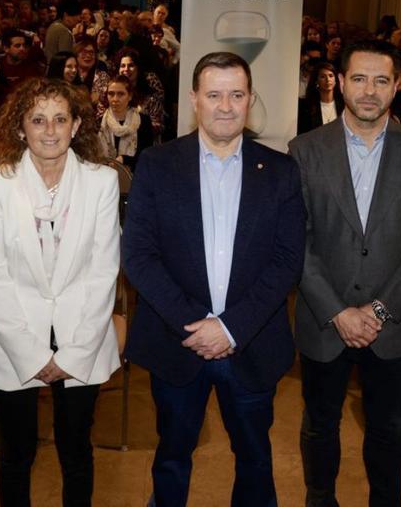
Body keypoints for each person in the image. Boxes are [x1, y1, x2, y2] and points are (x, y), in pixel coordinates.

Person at [122, 52, 306, 507]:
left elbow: (287, 260)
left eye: (237, 94)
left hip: (251, 342)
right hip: (177, 342)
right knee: (171, 457)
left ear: (251, 100)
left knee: (255, 460)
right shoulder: (157, 164)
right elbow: (139, 257)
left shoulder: (280, 171)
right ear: (194, 100)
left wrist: (229, 328)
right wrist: (196, 325)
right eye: (215, 94)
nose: (226, 106)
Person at [289, 41, 401, 507]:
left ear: (397, 86)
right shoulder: (304, 150)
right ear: (339, 83)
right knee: (319, 426)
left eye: (381, 80)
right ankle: (320, 500)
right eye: (359, 78)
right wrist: (338, 311)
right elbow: (295, 242)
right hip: (324, 320)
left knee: (388, 431)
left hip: (392, 326)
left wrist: (378, 310)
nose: (369, 90)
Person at [0, 78, 120, 506]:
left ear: (76, 126)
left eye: (60, 119)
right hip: (12, 338)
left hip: (83, 336)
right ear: (20, 128)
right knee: (16, 453)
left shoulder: (101, 183)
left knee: (76, 452)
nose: (50, 130)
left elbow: (103, 272)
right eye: (38, 120)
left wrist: (72, 355)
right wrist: (31, 355)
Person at [98, 75, 154, 169]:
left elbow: (147, 157)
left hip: (134, 177)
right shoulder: (99, 123)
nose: (115, 99)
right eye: (111, 94)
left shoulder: (143, 121)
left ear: (130, 96)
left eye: (120, 94)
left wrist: (125, 159)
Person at [116, 47, 166, 140]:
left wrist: (136, 127)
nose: (126, 69)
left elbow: (159, 126)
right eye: (122, 66)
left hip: (145, 143)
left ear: (138, 68)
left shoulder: (150, 94)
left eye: (131, 65)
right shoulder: (114, 91)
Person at [297, 60, 344, 133]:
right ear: (316, 81)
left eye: (331, 76)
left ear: (335, 80)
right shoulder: (307, 107)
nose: (328, 79)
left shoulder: (344, 105)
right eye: (323, 76)